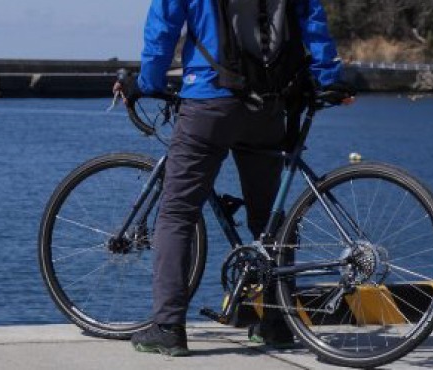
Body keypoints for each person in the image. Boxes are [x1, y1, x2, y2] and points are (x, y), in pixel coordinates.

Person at [113, 0, 352, 357]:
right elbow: (312, 19)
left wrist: (147, 82)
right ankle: (277, 322)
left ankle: (167, 326)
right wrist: (329, 77)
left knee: (178, 212)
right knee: (268, 218)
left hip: (210, 101)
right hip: (269, 103)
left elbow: (163, 27)